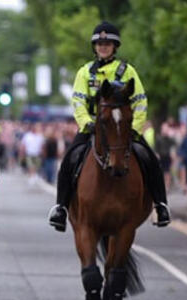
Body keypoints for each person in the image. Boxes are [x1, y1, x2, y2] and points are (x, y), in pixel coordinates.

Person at [47, 21, 170, 231]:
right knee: (70, 158)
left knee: (150, 158)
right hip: (93, 126)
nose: (103, 47)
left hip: (122, 129)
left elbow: (140, 101)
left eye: (108, 43)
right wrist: (87, 122)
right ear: (95, 47)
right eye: (100, 43)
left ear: (115, 47)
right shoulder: (85, 72)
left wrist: (135, 128)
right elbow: (78, 101)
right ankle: (61, 208)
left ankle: (160, 205)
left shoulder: (128, 71)